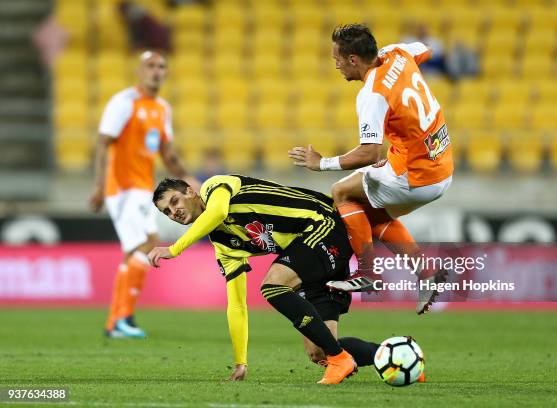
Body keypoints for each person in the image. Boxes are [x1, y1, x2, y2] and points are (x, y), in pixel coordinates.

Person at [147, 175, 382, 384]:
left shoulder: (214, 187)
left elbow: (217, 212)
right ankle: (392, 354)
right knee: (319, 350)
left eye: (174, 201)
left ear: (190, 191)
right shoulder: (224, 245)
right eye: (166, 211)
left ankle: (340, 359)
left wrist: (175, 249)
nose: (173, 212)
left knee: (273, 285)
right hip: (308, 251)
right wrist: (241, 361)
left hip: (323, 221)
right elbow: (237, 305)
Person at [288, 24, 453, 314]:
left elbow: (368, 152)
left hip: (416, 174)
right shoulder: (397, 52)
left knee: (341, 192)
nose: (336, 65)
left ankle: (367, 274)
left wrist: (321, 163)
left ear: (353, 59)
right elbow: (426, 49)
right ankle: (425, 272)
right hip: (440, 164)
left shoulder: (371, 94)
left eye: (337, 58)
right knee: (368, 212)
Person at [89, 51, 199, 338]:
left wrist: (187, 178)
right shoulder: (124, 102)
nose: (156, 71)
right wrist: (100, 186)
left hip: (141, 188)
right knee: (143, 245)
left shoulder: (162, 107)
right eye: (150, 66)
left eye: (161, 66)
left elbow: (167, 152)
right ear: (139, 70)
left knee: (140, 247)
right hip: (122, 187)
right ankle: (119, 319)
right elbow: (103, 143)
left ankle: (120, 319)